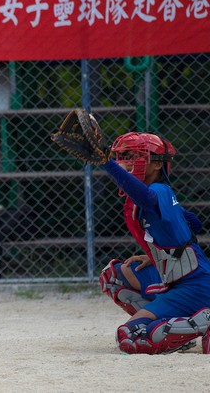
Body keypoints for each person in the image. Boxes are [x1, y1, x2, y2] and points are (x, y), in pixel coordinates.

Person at [98, 131, 210, 354]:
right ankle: (175, 326)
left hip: (196, 283)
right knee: (114, 277)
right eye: (124, 156)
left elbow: (147, 198)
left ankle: (201, 319)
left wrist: (107, 164)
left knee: (131, 337)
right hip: (176, 279)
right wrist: (161, 255)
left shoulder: (158, 190)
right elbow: (194, 223)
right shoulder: (149, 196)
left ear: (157, 164)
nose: (127, 161)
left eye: (135, 156)